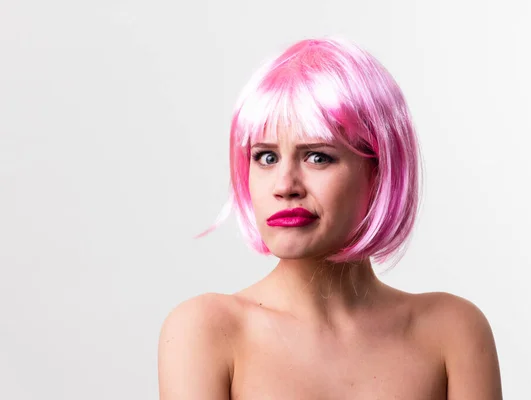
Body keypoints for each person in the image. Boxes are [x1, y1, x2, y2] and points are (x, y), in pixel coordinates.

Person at [158, 37, 502, 399]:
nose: (284, 186)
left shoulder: (452, 332)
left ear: (379, 171)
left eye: (317, 157)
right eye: (266, 157)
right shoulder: (206, 331)